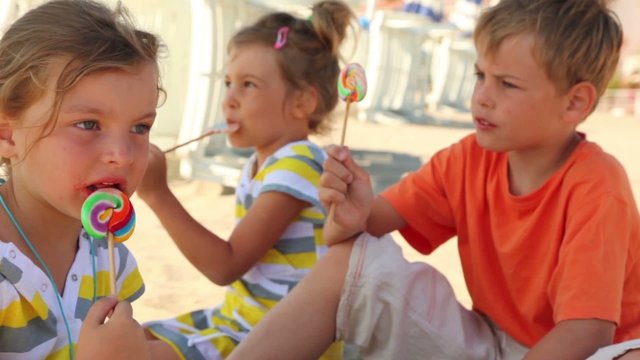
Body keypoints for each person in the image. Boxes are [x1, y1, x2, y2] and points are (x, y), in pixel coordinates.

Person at [228, 0, 640, 359]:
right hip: (492, 342)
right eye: (481, 75)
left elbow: (587, 332)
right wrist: (348, 216)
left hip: (589, 352)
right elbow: (362, 235)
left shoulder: (598, 185)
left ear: (575, 102)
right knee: (347, 262)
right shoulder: (467, 159)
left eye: (507, 84)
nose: (482, 96)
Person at [135, 1, 356, 358]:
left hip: (280, 338)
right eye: (228, 83)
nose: (229, 101)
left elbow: (226, 265)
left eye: (248, 85)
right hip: (240, 318)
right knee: (133, 338)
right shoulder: (262, 162)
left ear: (302, 101)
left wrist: (159, 195)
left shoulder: (298, 165)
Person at [0, 0, 162, 359]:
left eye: (140, 127)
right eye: (88, 124)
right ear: (8, 135)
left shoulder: (109, 262)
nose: (122, 154)